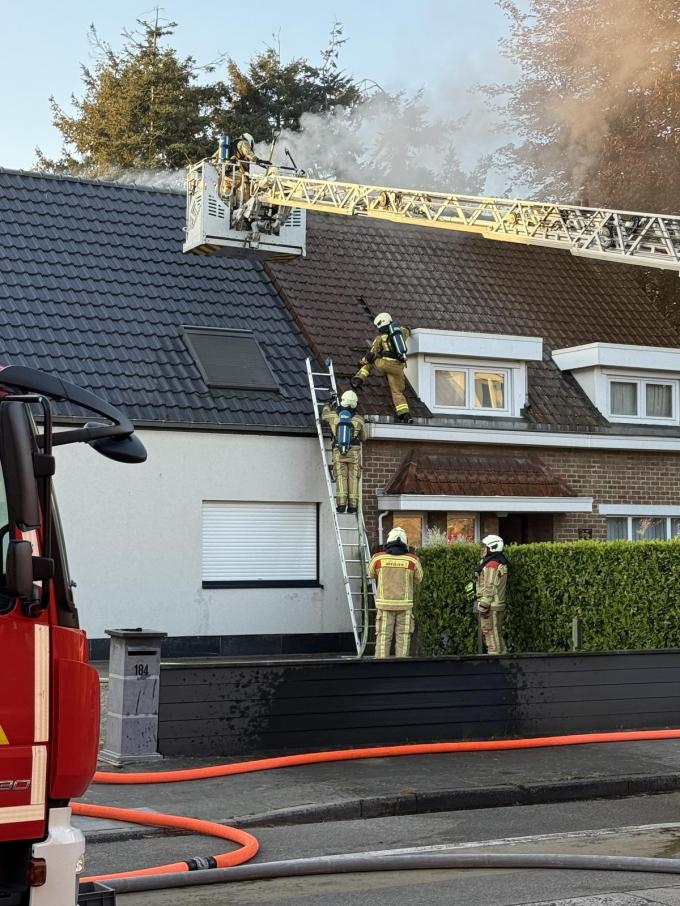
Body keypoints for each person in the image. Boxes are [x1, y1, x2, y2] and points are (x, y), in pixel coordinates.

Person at [369, 526, 423, 658]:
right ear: (405, 542)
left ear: (388, 541)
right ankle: (401, 670)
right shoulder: (412, 560)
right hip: (405, 606)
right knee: (403, 639)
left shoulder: (377, 558)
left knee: (383, 638)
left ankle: (381, 669)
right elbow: (419, 579)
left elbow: (370, 573)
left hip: (384, 606)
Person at [350, 313, 413, 423]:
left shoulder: (380, 337)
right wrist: (408, 329)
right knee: (397, 391)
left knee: (371, 361)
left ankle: (358, 379)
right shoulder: (400, 332)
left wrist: (361, 362)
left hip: (385, 364)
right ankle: (405, 415)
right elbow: (408, 331)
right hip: (398, 367)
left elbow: (371, 353)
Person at [321, 389, 365, 514]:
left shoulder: (334, 416)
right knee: (353, 478)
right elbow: (365, 437)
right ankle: (353, 506)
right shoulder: (359, 419)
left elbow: (324, 415)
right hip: (354, 453)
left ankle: (341, 505)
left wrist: (328, 405)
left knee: (341, 477)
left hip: (338, 451)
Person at [475, 534, 508, 655]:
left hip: (491, 605)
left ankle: (496, 659)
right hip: (496, 603)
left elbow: (489, 586)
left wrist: (483, 603)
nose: (483, 549)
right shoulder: (498, 562)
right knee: (495, 632)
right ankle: (502, 655)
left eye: (485, 547)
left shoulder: (491, 565)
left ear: (492, 548)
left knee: (490, 632)